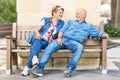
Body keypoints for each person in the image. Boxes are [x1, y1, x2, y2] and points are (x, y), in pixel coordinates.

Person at [31, 8, 109, 77]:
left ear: (84, 15)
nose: (76, 15)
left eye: (78, 13)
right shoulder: (70, 22)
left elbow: (98, 33)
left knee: (80, 47)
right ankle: (40, 69)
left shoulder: (89, 26)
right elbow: (62, 30)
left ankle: (70, 68)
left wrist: (105, 35)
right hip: (63, 39)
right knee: (50, 47)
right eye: (76, 13)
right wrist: (59, 38)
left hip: (74, 43)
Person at [21, 5, 64, 76]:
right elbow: (36, 30)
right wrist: (38, 34)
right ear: (54, 13)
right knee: (37, 39)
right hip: (39, 39)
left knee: (34, 48)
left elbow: (60, 34)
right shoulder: (45, 20)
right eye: (60, 12)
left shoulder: (62, 23)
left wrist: (54, 39)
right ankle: (33, 60)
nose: (61, 14)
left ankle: (28, 66)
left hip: (47, 43)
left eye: (62, 13)